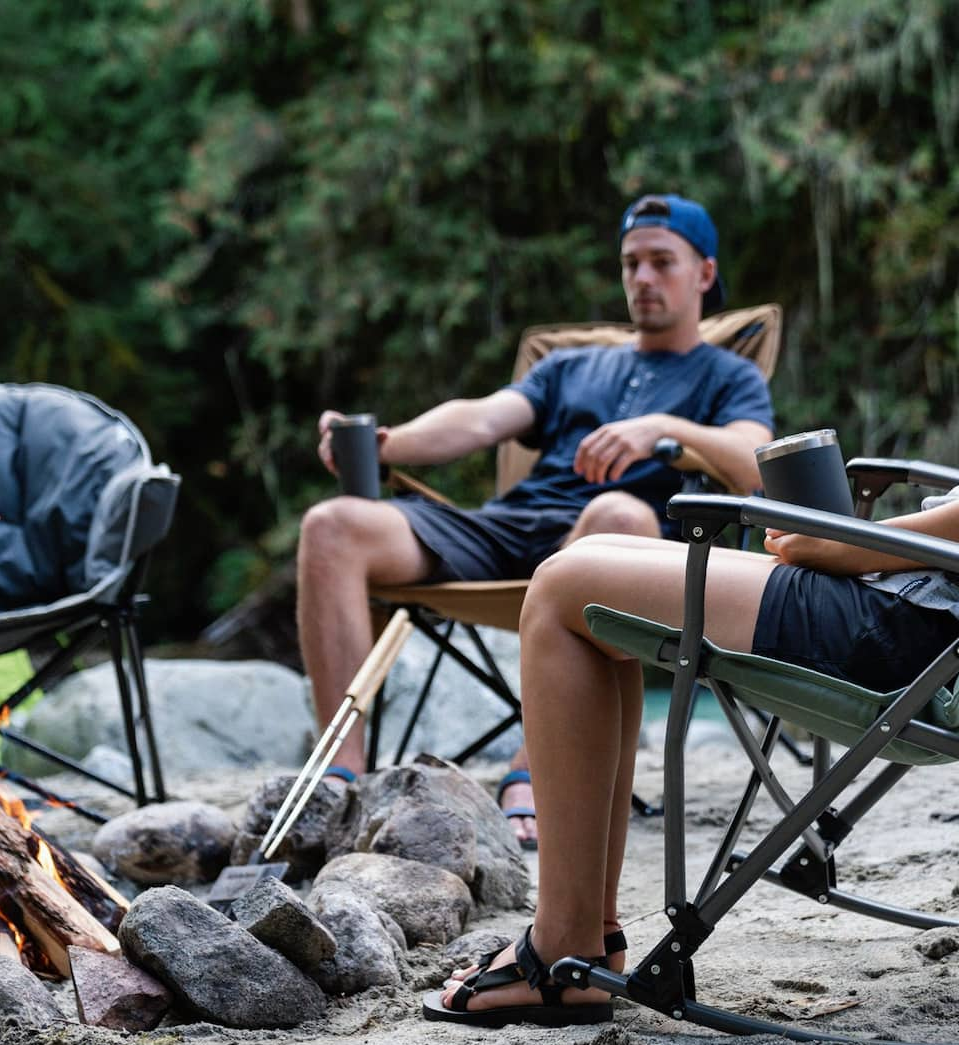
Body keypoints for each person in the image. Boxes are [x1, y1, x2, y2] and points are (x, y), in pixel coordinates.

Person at [425, 1, 959, 1025]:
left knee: (563, 588)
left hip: (916, 634)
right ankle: (581, 935)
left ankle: (560, 950)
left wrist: (854, 549)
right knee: (601, 600)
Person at [297, 194, 775, 842]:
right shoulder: (571, 365)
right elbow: (484, 418)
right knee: (331, 526)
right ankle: (339, 776)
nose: (642, 278)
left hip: (614, 550)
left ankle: (533, 770)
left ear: (705, 274)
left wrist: (664, 428)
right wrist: (393, 443)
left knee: (619, 515)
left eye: (662, 262)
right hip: (511, 528)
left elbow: (753, 463)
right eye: (631, 263)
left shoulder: (728, 376)